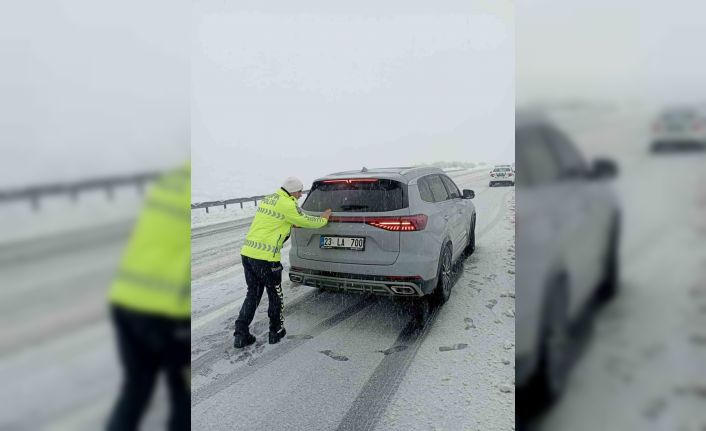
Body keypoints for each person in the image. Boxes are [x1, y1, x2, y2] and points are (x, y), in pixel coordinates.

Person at [106, 164, 190, 431]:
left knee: (136, 389)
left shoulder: (173, 177)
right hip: (164, 312)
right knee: (184, 395)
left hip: (126, 300)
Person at [234, 177, 332, 348]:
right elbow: (306, 220)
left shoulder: (270, 198)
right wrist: (324, 218)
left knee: (253, 294)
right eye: (299, 191)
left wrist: (291, 222)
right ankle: (276, 331)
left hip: (248, 253)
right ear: (293, 190)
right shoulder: (288, 204)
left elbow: (276, 221)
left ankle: (241, 334)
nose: (301, 195)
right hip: (266, 258)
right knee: (275, 294)